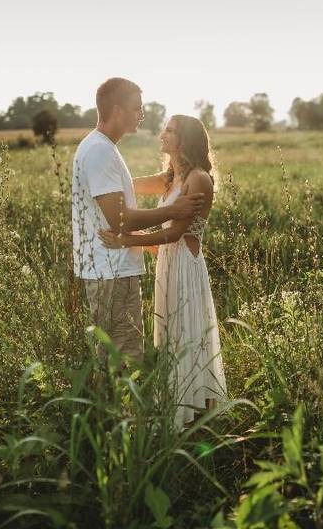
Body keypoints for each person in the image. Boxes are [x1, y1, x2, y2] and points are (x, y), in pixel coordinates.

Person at [99, 115, 227, 426]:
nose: (162, 134)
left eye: (169, 130)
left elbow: (176, 233)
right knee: (172, 337)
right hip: (168, 265)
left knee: (189, 336)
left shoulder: (198, 179)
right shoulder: (171, 177)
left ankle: (201, 417)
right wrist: (100, 182)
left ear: (185, 139)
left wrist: (128, 239)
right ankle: (181, 411)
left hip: (185, 266)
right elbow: (128, 186)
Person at [71, 78, 204, 362]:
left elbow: (128, 189)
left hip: (113, 268)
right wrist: (172, 211)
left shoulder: (104, 148)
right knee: (124, 357)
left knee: (118, 355)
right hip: (111, 269)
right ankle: (117, 407)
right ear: (117, 110)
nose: (141, 114)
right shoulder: (99, 150)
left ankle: (111, 405)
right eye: (136, 108)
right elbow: (120, 220)